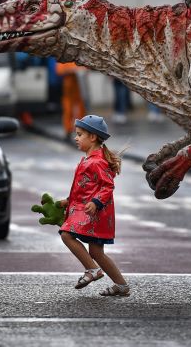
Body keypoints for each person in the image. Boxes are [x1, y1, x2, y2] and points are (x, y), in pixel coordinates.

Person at [56, 115, 130, 296]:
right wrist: (68, 200)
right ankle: (121, 286)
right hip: (90, 210)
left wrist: (96, 202)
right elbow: (85, 188)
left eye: (80, 134)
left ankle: (92, 270)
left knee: (67, 234)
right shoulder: (89, 159)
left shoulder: (97, 162)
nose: (76, 138)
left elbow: (107, 185)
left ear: (93, 137)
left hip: (95, 212)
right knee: (97, 252)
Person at [56, 62, 86, 139]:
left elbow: (86, 67)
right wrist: (71, 70)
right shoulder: (64, 58)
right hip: (68, 92)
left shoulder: (79, 58)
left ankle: (81, 130)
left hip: (78, 91)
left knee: (81, 110)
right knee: (68, 110)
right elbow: (59, 70)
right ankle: (68, 131)